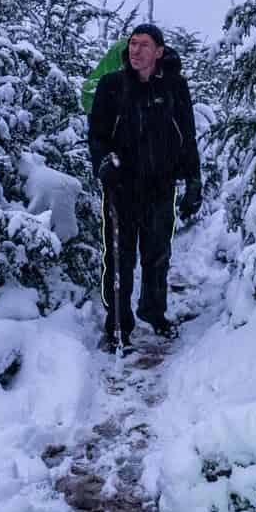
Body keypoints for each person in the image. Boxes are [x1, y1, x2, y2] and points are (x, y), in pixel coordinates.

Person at [87, 23, 202, 345]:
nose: (136, 51)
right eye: (133, 44)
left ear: (159, 52)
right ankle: (118, 324)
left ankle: (154, 312)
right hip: (120, 188)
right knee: (119, 259)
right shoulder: (112, 85)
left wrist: (193, 180)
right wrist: (103, 162)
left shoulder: (175, 87)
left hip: (160, 187)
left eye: (144, 45)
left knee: (156, 255)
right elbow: (96, 135)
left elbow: (186, 135)